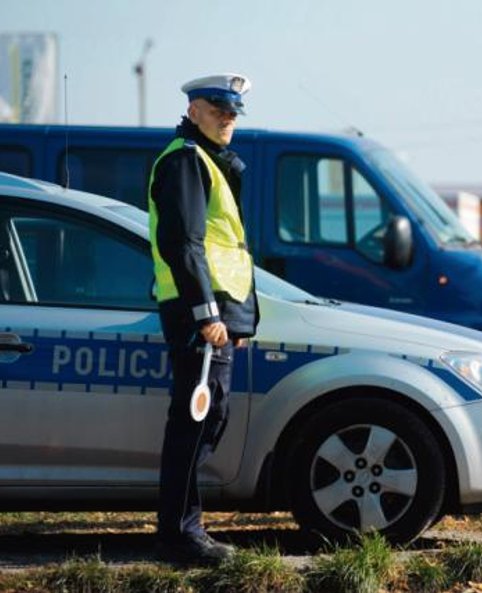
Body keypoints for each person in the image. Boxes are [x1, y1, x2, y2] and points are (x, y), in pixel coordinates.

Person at [149, 73, 259, 563]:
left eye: (233, 111)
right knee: (194, 423)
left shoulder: (208, 162)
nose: (228, 117)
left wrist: (233, 321)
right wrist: (206, 315)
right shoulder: (186, 161)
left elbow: (218, 247)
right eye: (218, 109)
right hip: (198, 314)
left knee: (209, 419)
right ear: (194, 111)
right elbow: (183, 244)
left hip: (214, 316)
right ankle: (180, 535)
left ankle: (184, 528)